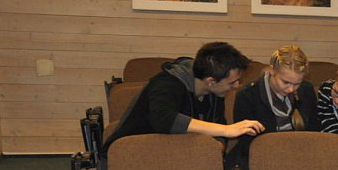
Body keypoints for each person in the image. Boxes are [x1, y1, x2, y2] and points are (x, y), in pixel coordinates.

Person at [104, 41, 264, 149]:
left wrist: (218, 147)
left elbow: (217, 124)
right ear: (210, 81)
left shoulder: (216, 91)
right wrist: (225, 130)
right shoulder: (166, 83)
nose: (236, 86)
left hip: (177, 154)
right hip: (132, 153)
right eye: (232, 82)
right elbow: (164, 119)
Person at [228, 44, 319, 170]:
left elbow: (314, 132)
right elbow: (246, 142)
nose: (291, 89)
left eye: (297, 84)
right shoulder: (248, 94)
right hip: (262, 159)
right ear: (272, 71)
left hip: (300, 156)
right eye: (285, 82)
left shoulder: (306, 90)